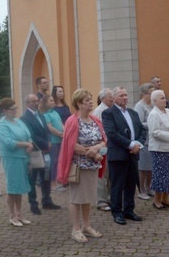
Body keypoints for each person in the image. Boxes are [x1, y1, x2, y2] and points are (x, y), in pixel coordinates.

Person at [57, 89, 106, 242]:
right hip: (78, 166)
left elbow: (104, 139)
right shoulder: (72, 121)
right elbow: (71, 144)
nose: (91, 102)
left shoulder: (95, 120)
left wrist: (98, 148)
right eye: (87, 100)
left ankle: (86, 226)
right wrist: (90, 153)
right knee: (76, 198)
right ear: (79, 104)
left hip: (92, 165)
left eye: (90, 99)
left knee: (88, 198)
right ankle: (76, 229)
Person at [102, 86, 146, 225]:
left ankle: (129, 210)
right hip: (118, 154)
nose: (125, 97)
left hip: (133, 155)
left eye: (126, 95)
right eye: (121, 95)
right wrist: (131, 145)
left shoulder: (133, 113)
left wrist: (138, 144)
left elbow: (142, 130)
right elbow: (112, 133)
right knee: (117, 185)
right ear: (114, 98)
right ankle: (117, 212)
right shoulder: (108, 113)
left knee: (131, 184)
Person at [21, 94, 60, 214]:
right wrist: (45, 143)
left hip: (45, 150)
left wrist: (48, 141)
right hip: (35, 152)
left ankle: (47, 201)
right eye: (33, 101)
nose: (36, 103)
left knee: (46, 177)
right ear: (27, 103)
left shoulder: (41, 115)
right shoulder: (24, 118)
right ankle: (33, 204)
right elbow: (31, 135)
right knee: (33, 179)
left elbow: (47, 130)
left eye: (37, 101)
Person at [0, 98, 33, 226]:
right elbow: (8, 142)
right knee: (12, 187)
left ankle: (19, 214)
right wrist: (25, 144)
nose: (15, 111)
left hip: (23, 157)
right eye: (13, 109)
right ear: (5, 110)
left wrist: (30, 144)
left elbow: (28, 135)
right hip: (11, 158)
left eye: (16, 108)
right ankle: (12, 216)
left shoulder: (18, 121)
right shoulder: (2, 125)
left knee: (20, 186)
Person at [147, 90, 169, 209]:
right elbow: (154, 132)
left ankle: (166, 198)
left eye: (165, 97)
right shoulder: (153, 114)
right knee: (161, 175)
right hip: (160, 150)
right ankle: (157, 200)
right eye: (162, 98)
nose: (165, 100)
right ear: (154, 101)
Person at [92, 88, 114, 211]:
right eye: (110, 96)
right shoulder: (99, 111)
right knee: (102, 176)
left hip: (109, 146)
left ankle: (109, 198)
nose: (112, 98)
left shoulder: (108, 109)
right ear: (103, 98)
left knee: (109, 174)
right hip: (103, 147)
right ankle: (101, 201)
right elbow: (100, 131)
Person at [133, 83, 154, 200]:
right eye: (151, 93)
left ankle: (149, 187)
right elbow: (139, 123)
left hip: (153, 140)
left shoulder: (151, 105)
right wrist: (152, 123)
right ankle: (141, 190)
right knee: (143, 167)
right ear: (145, 94)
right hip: (144, 140)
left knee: (150, 166)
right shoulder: (139, 106)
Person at [40, 94, 64, 192]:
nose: (53, 102)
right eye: (51, 101)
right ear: (45, 103)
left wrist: (65, 132)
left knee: (58, 161)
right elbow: (49, 127)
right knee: (52, 162)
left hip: (60, 139)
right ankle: (52, 183)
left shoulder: (55, 112)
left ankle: (57, 181)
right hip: (53, 140)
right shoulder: (45, 114)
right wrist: (59, 134)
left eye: (53, 100)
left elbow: (61, 123)